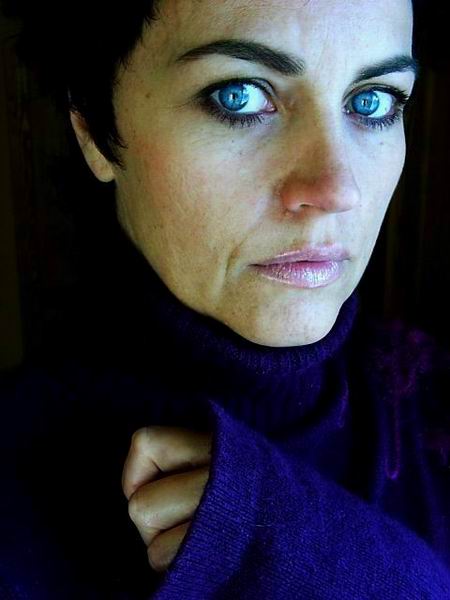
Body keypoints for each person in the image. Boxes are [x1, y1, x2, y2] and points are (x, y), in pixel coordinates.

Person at [1, 0, 450, 598]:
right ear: (92, 128)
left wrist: (330, 559)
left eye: (373, 101)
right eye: (239, 96)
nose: (336, 189)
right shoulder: (13, 497)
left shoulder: (436, 400)